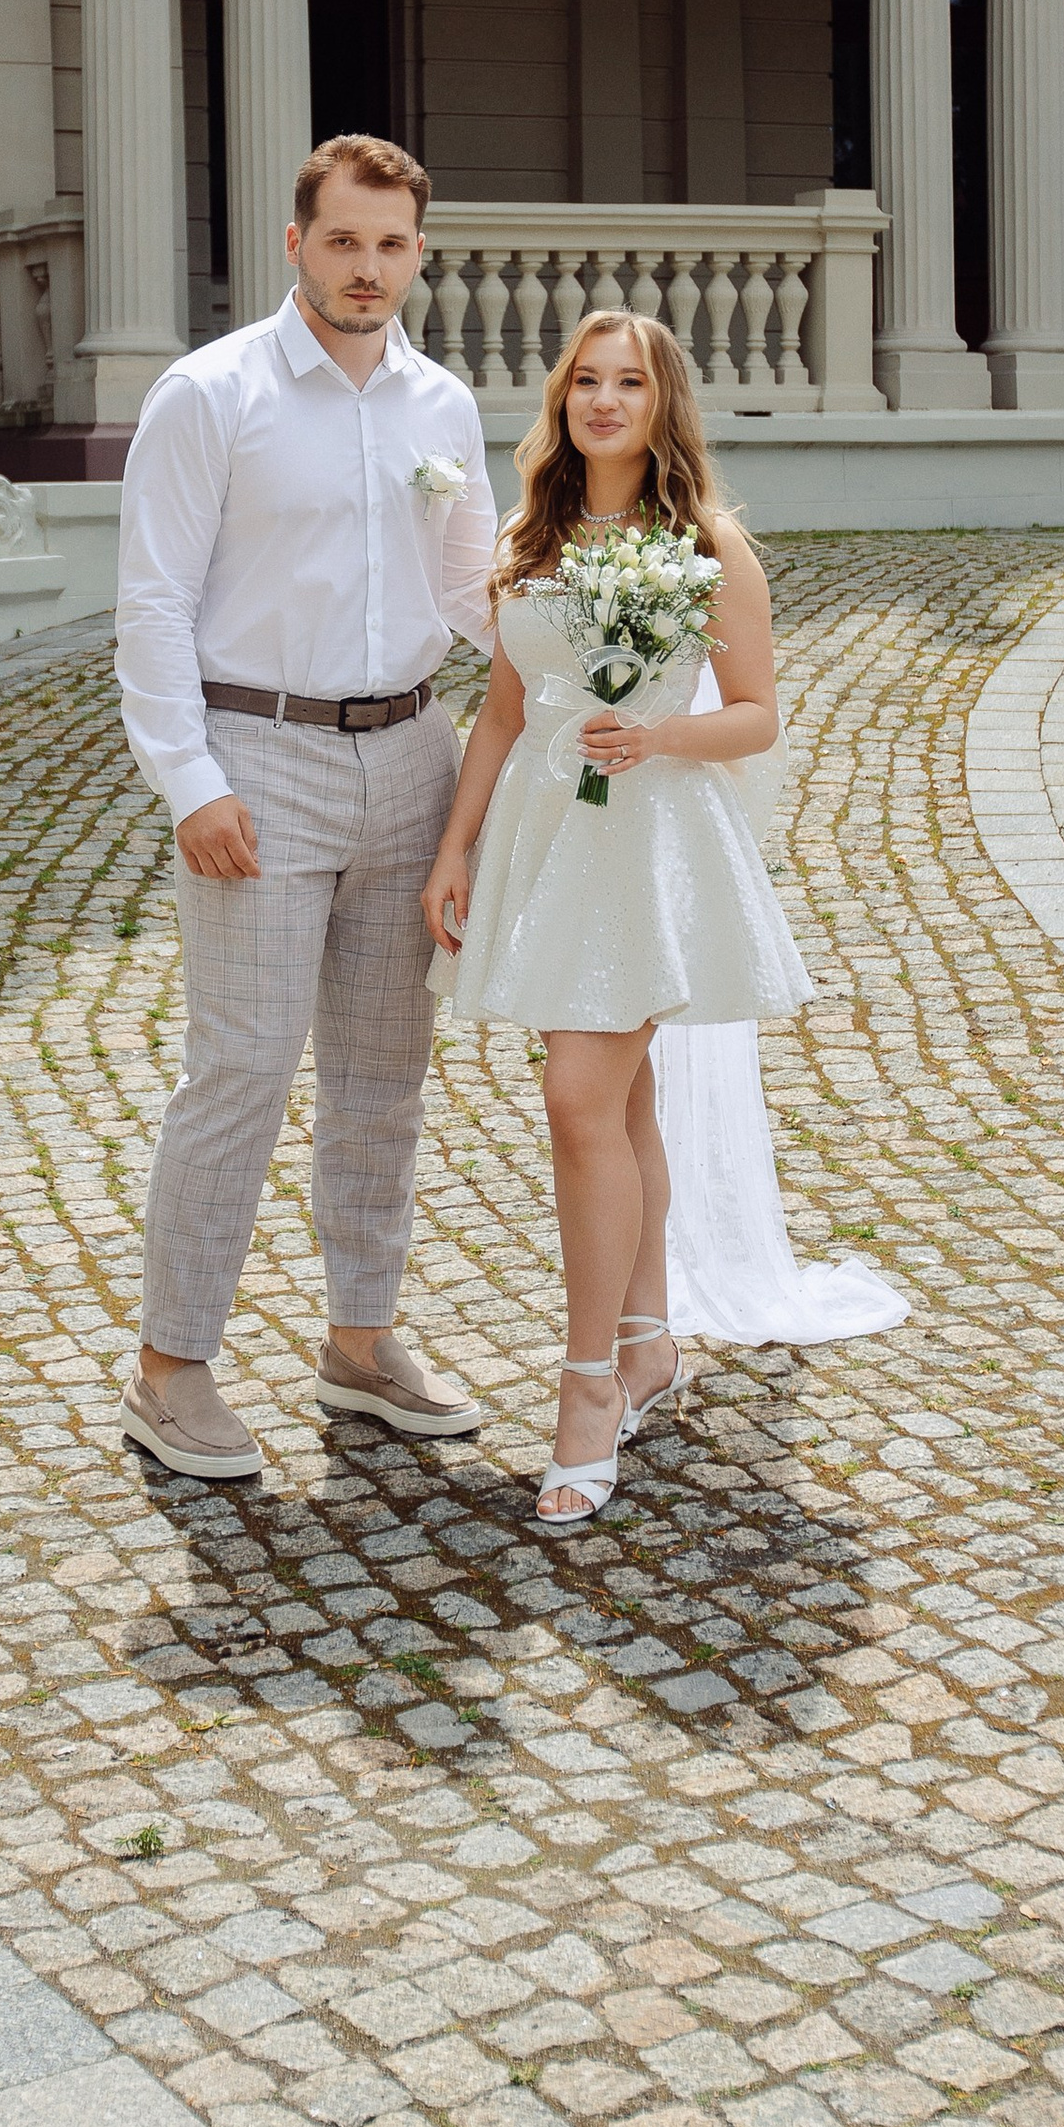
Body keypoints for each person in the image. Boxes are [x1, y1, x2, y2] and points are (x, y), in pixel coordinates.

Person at [113, 132, 497, 1481]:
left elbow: (471, 593)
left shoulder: (442, 407)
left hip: (411, 758)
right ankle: (171, 1369)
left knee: (386, 1072)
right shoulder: (209, 396)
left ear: (418, 253)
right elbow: (152, 602)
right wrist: (191, 779)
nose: (368, 269)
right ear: (296, 244)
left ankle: (360, 1340)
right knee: (244, 1066)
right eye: (344, 241)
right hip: (256, 758)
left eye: (392, 245)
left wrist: (591, 655)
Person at [421, 312, 815, 1526]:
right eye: (584, 381)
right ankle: (645, 1346)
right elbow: (499, 707)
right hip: (548, 838)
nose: (602, 400)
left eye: (627, 382)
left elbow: (756, 714)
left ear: (661, 401)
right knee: (621, 1096)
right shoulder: (529, 534)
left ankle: (586, 1386)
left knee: (577, 1099)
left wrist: (657, 735)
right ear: (562, 399)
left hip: (648, 846)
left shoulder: (706, 544)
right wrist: (456, 844)